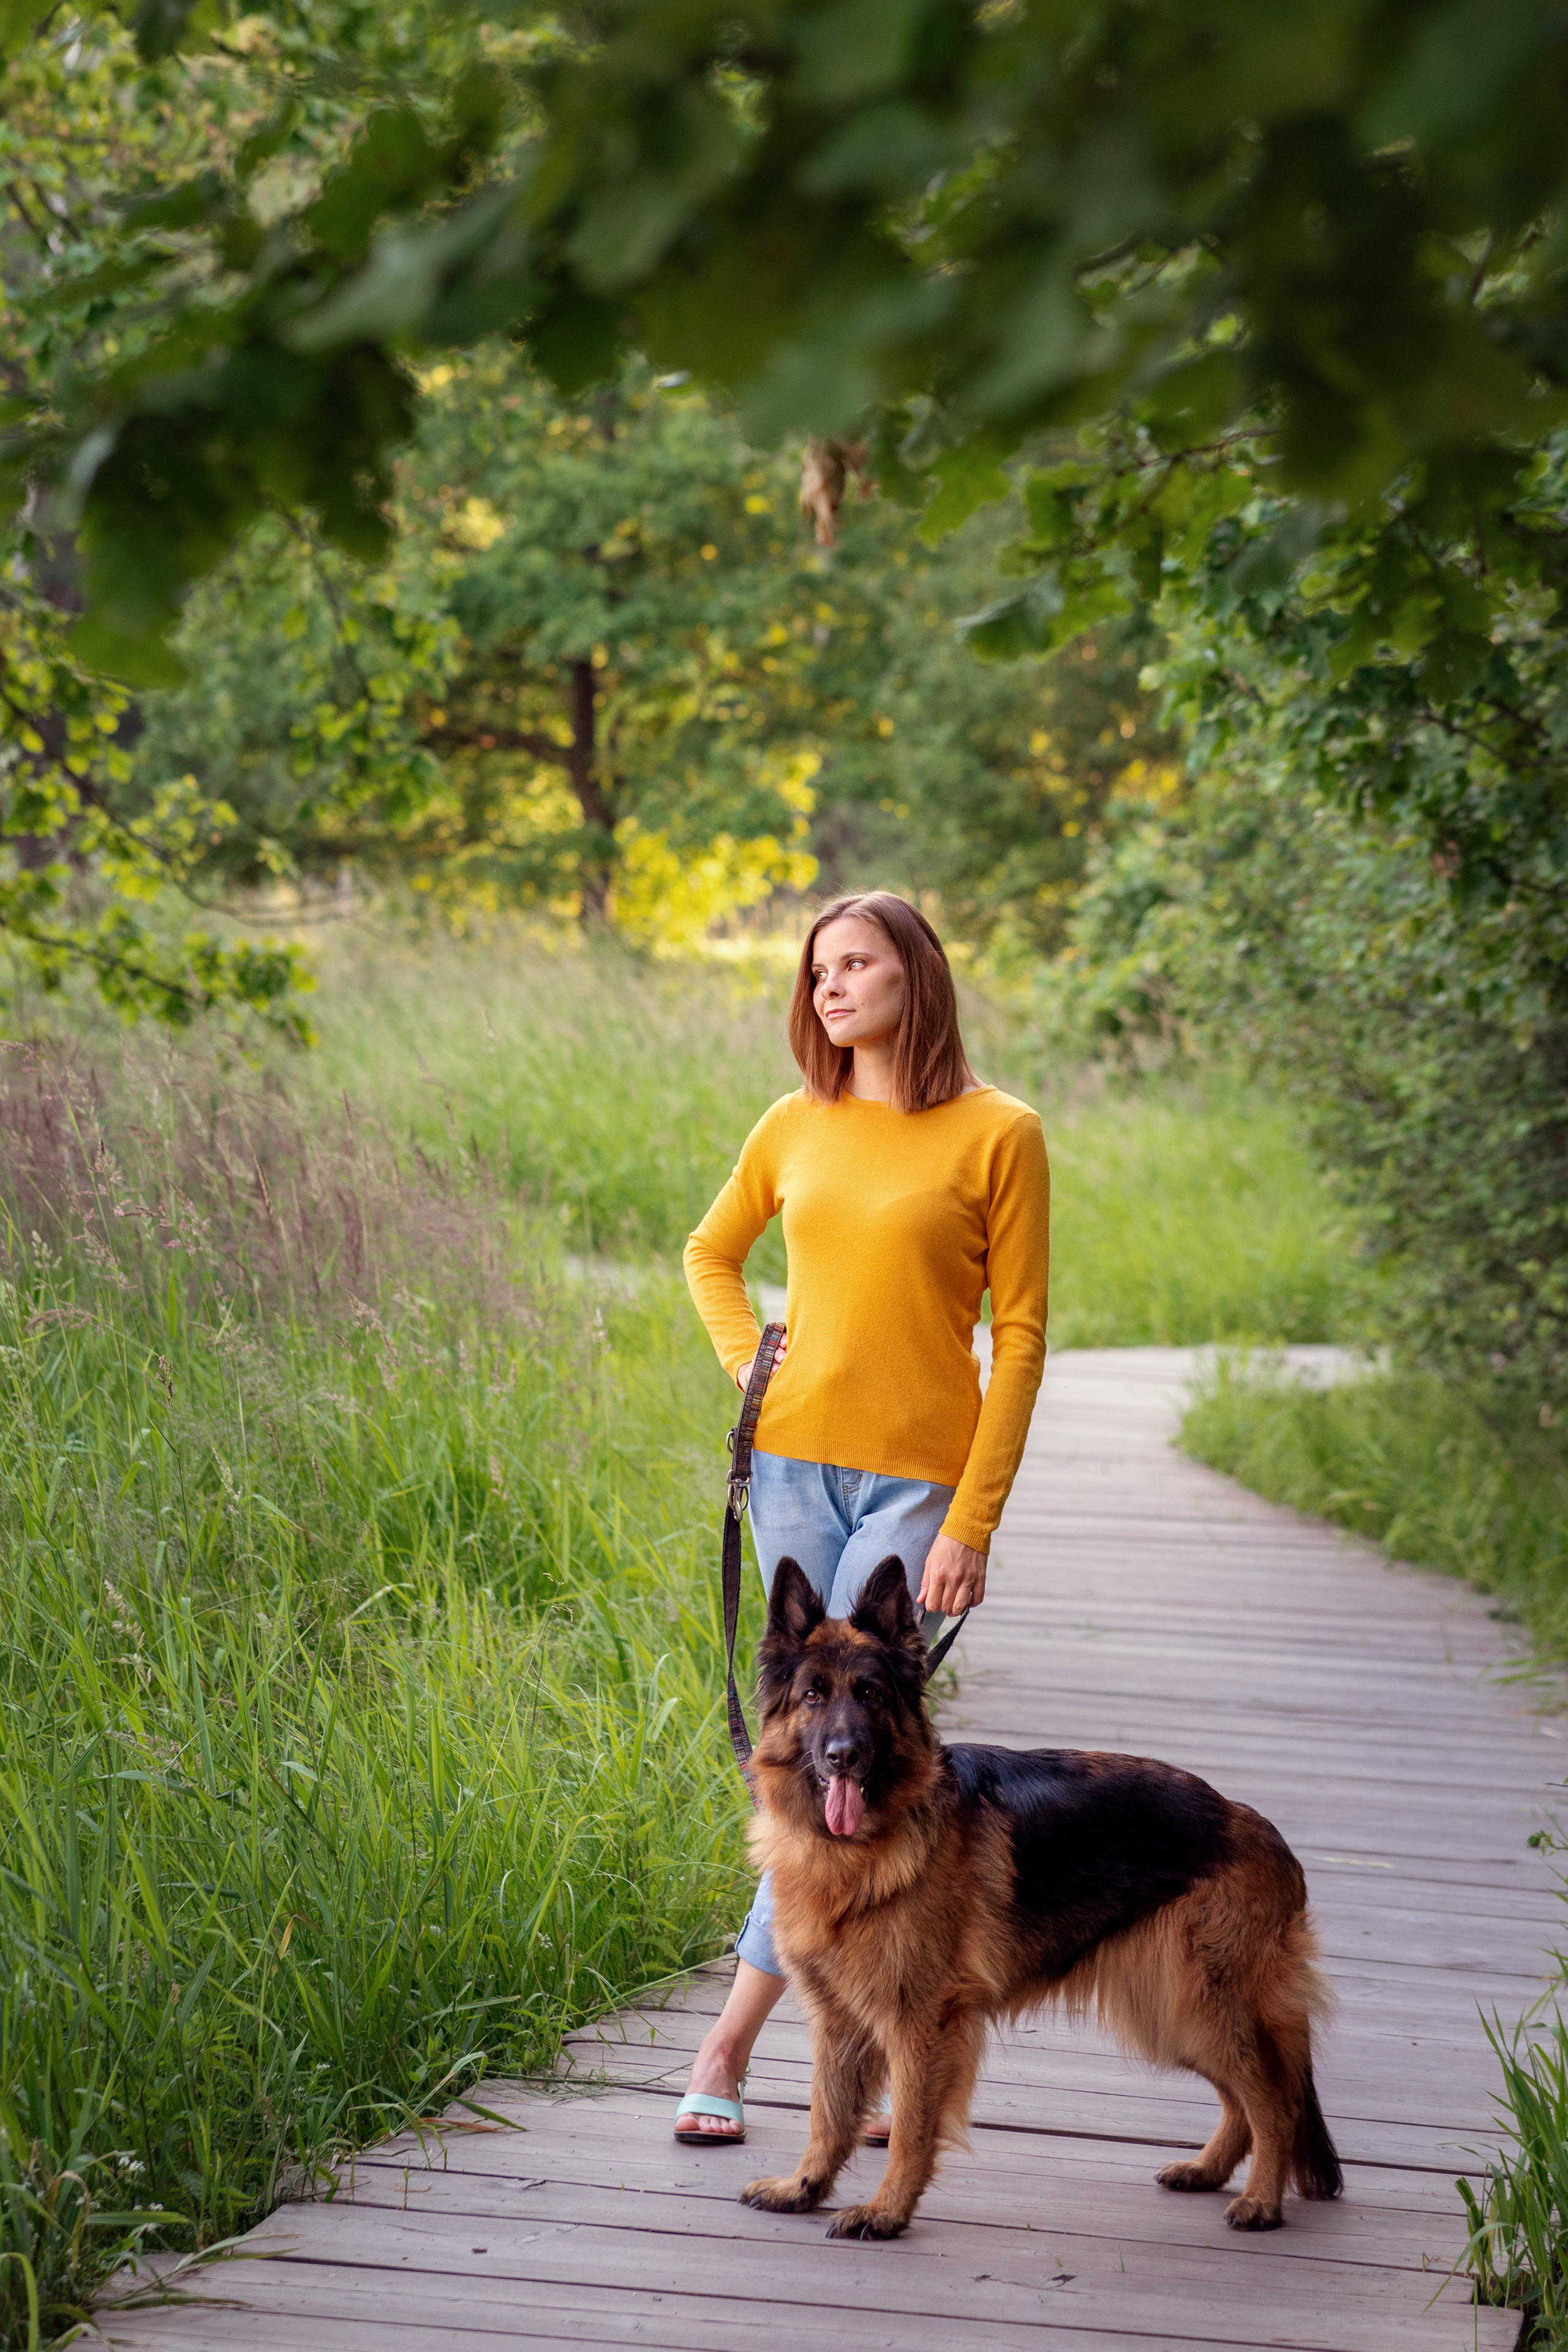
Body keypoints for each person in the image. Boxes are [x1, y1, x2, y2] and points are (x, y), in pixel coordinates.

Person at [673, 890, 1050, 2144]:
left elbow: (1022, 1336)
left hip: (913, 1486)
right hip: (788, 1468)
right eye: (816, 969)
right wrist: (747, 1364)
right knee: (797, 1760)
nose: (828, 987)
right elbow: (706, 1254)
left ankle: (870, 2050)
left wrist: (973, 1523)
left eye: (854, 964)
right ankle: (726, 2053)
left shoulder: (1000, 1131)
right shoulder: (794, 1121)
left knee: (870, 1765)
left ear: (914, 976)